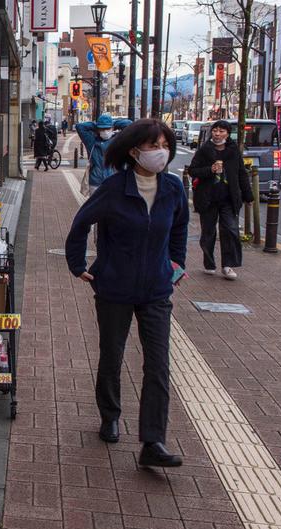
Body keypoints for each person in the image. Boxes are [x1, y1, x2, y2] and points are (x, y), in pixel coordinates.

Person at [64, 118, 189, 468]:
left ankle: (153, 441)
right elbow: (80, 224)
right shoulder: (114, 187)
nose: (160, 151)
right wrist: (78, 265)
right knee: (112, 355)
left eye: (165, 144)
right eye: (152, 146)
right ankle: (110, 415)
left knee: (159, 366)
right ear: (134, 150)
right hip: (114, 286)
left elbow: (179, 228)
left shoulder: (173, 189)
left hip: (156, 290)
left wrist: (176, 264)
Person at [188, 119, 253, 280]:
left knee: (230, 230)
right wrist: (210, 170)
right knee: (208, 232)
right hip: (208, 198)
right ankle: (209, 263)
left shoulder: (233, 151)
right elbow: (193, 170)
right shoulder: (204, 150)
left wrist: (248, 195)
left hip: (229, 198)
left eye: (221, 131)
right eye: (215, 130)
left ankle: (228, 265)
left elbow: (241, 174)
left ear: (228, 133)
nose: (217, 134)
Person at [76, 113, 133, 190]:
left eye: (108, 128)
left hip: (115, 181)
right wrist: (97, 125)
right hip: (96, 183)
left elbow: (130, 125)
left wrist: (113, 123)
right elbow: (80, 127)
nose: (105, 131)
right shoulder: (91, 141)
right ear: (98, 129)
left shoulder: (118, 140)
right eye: (102, 129)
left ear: (112, 128)